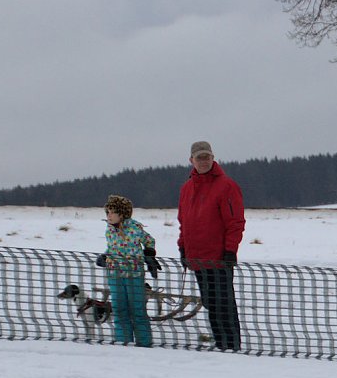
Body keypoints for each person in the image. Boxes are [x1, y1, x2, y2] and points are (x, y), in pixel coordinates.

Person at [177, 141, 246, 351]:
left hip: (219, 259)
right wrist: (183, 248)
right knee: (210, 303)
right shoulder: (187, 187)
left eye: (207, 156)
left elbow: (235, 222)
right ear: (192, 160)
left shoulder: (226, 185)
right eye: (199, 157)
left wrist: (230, 251)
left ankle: (232, 345)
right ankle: (220, 343)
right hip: (197, 258)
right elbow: (183, 222)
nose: (204, 161)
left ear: (213, 157)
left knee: (224, 303)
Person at [96, 194, 161, 348]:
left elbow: (149, 240)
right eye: (107, 212)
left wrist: (149, 254)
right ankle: (123, 343)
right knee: (119, 309)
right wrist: (104, 256)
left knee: (137, 310)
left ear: (122, 214)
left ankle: (144, 343)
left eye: (112, 212)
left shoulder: (135, 228)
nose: (109, 216)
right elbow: (113, 247)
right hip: (114, 274)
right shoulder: (109, 230)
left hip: (134, 274)